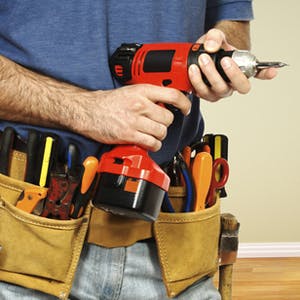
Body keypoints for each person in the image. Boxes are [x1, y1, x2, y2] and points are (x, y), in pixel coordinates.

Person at [0, 1, 277, 299]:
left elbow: (231, 19)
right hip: (23, 248)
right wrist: (83, 109)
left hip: (174, 246)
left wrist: (220, 55)